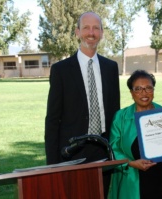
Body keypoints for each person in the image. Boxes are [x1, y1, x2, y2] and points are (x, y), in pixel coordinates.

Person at [44, 11, 120, 196]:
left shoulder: (111, 68)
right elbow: (52, 119)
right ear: (77, 32)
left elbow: (115, 113)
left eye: (95, 28)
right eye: (86, 27)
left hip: (103, 149)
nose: (91, 32)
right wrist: (53, 163)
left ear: (101, 33)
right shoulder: (61, 70)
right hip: (71, 151)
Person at [108, 70, 162, 199]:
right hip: (133, 177)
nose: (144, 93)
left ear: (153, 90)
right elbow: (113, 148)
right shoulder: (121, 117)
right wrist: (130, 163)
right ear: (131, 92)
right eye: (138, 89)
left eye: (148, 88)